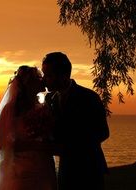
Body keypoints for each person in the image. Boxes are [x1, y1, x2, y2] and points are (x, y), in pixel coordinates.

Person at [42, 52, 110, 190]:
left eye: (48, 75)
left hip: (89, 169)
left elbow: (103, 132)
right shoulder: (50, 100)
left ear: (62, 75)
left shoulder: (89, 97)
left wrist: (68, 148)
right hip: (65, 170)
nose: (44, 79)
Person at [0, 65, 57, 190]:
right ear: (28, 84)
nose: (42, 79)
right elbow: (0, 143)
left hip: (44, 167)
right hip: (21, 170)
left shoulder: (41, 107)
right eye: (38, 78)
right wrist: (31, 145)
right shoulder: (10, 109)